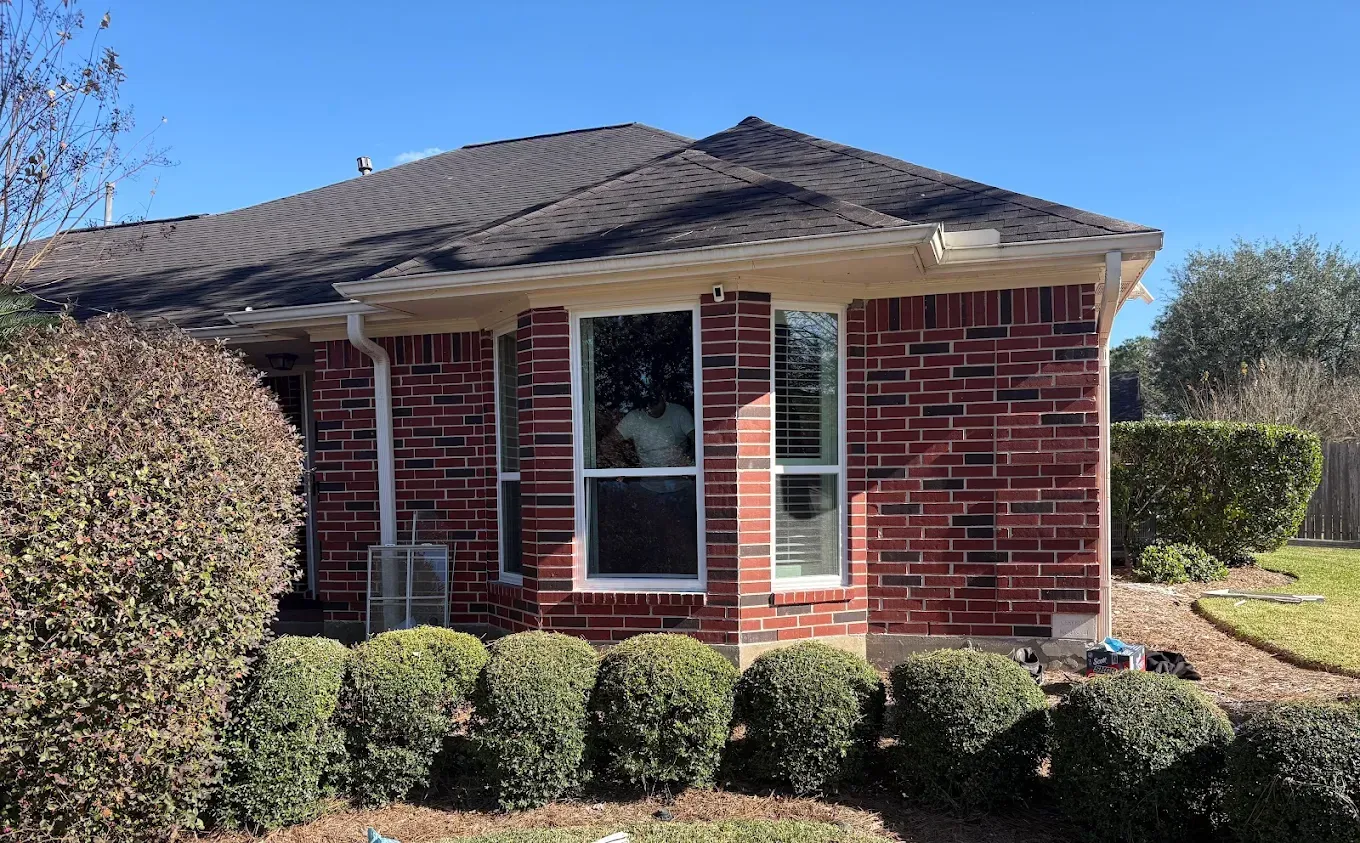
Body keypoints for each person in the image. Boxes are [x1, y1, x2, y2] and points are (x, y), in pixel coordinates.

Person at [615, 393, 694, 468]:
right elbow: (609, 443)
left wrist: (688, 459)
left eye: (654, 403)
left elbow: (699, 441)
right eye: (646, 404)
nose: (650, 408)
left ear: (663, 396)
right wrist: (622, 466)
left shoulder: (679, 413)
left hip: (678, 475)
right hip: (648, 476)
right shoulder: (634, 417)